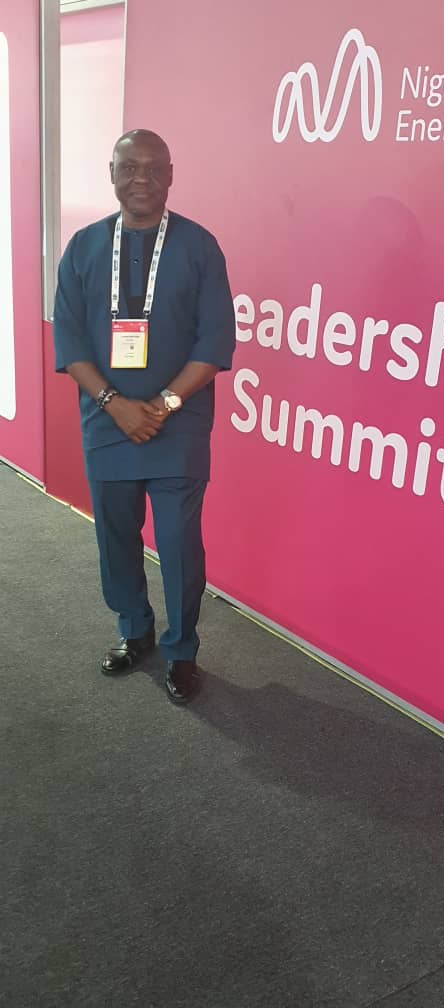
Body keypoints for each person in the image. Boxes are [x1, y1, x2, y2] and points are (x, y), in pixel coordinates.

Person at [53, 129, 236, 703]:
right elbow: (70, 342)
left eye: (154, 168)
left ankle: (182, 650)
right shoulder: (83, 247)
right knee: (115, 536)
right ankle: (135, 630)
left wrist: (163, 406)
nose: (141, 179)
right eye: (129, 167)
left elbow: (215, 342)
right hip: (106, 423)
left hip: (178, 425)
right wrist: (115, 405)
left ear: (171, 175)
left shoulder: (199, 247)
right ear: (111, 173)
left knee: (178, 542)